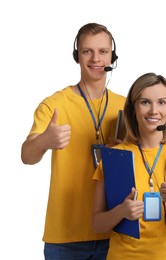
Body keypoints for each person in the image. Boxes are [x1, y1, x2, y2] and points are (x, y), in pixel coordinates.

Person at [21, 23, 126, 259]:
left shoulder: (127, 105)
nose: (96, 58)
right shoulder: (54, 104)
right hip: (65, 238)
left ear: (113, 56)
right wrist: (45, 141)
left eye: (103, 51)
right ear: (76, 56)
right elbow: (27, 156)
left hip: (114, 232)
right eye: (87, 51)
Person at [92, 72, 166, 259]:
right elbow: (97, 223)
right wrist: (121, 211)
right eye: (145, 102)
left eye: (162, 102)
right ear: (132, 109)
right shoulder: (114, 156)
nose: (154, 111)